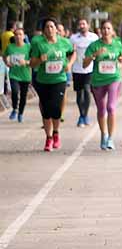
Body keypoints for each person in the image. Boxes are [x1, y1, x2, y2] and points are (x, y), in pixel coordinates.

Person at [29, 18, 71, 151]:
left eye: (52, 27)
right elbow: (32, 64)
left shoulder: (64, 42)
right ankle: (48, 138)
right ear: (44, 30)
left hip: (59, 79)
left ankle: (56, 133)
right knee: (46, 111)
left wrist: (69, 64)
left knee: (55, 108)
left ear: (56, 29)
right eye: (47, 27)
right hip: (43, 81)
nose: (50, 29)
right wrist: (40, 60)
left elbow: (72, 53)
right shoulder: (38, 43)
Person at [82, 20, 122, 150]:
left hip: (114, 78)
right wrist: (94, 55)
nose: (106, 31)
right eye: (103, 28)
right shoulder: (94, 46)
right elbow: (84, 64)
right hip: (98, 81)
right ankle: (104, 134)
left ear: (112, 31)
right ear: (100, 31)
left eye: (108, 28)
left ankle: (111, 138)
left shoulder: (117, 44)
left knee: (111, 108)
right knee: (101, 110)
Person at [68, 18, 98, 127]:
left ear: (88, 25)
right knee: (79, 93)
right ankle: (81, 115)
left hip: (89, 69)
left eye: (84, 24)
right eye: (80, 24)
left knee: (87, 90)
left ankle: (85, 115)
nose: (82, 26)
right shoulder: (73, 38)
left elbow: (97, 50)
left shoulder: (94, 37)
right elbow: (69, 52)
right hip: (77, 69)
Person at [5, 25, 31, 122]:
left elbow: (33, 59)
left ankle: (20, 113)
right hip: (14, 74)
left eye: (20, 34)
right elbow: (4, 55)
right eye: (16, 34)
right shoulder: (10, 47)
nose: (18, 36)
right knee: (15, 92)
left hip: (25, 75)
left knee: (23, 96)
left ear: (24, 36)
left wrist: (26, 62)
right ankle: (15, 109)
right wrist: (7, 62)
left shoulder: (28, 47)